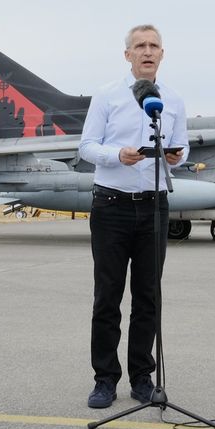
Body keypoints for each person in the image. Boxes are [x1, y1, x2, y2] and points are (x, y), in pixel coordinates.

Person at [77, 25, 189, 409]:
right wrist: (116, 155)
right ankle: (105, 379)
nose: (147, 51)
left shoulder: (171, 100)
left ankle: (143, 377)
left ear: (162, 54)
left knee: (148, 297)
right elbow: (87, 146)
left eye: (154, 46)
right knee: (107, 296)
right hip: (112, 205)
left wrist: (177, 156)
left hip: (154, 204)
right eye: (139, 46)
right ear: (127, 55)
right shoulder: (108, 95)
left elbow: (183, 145)